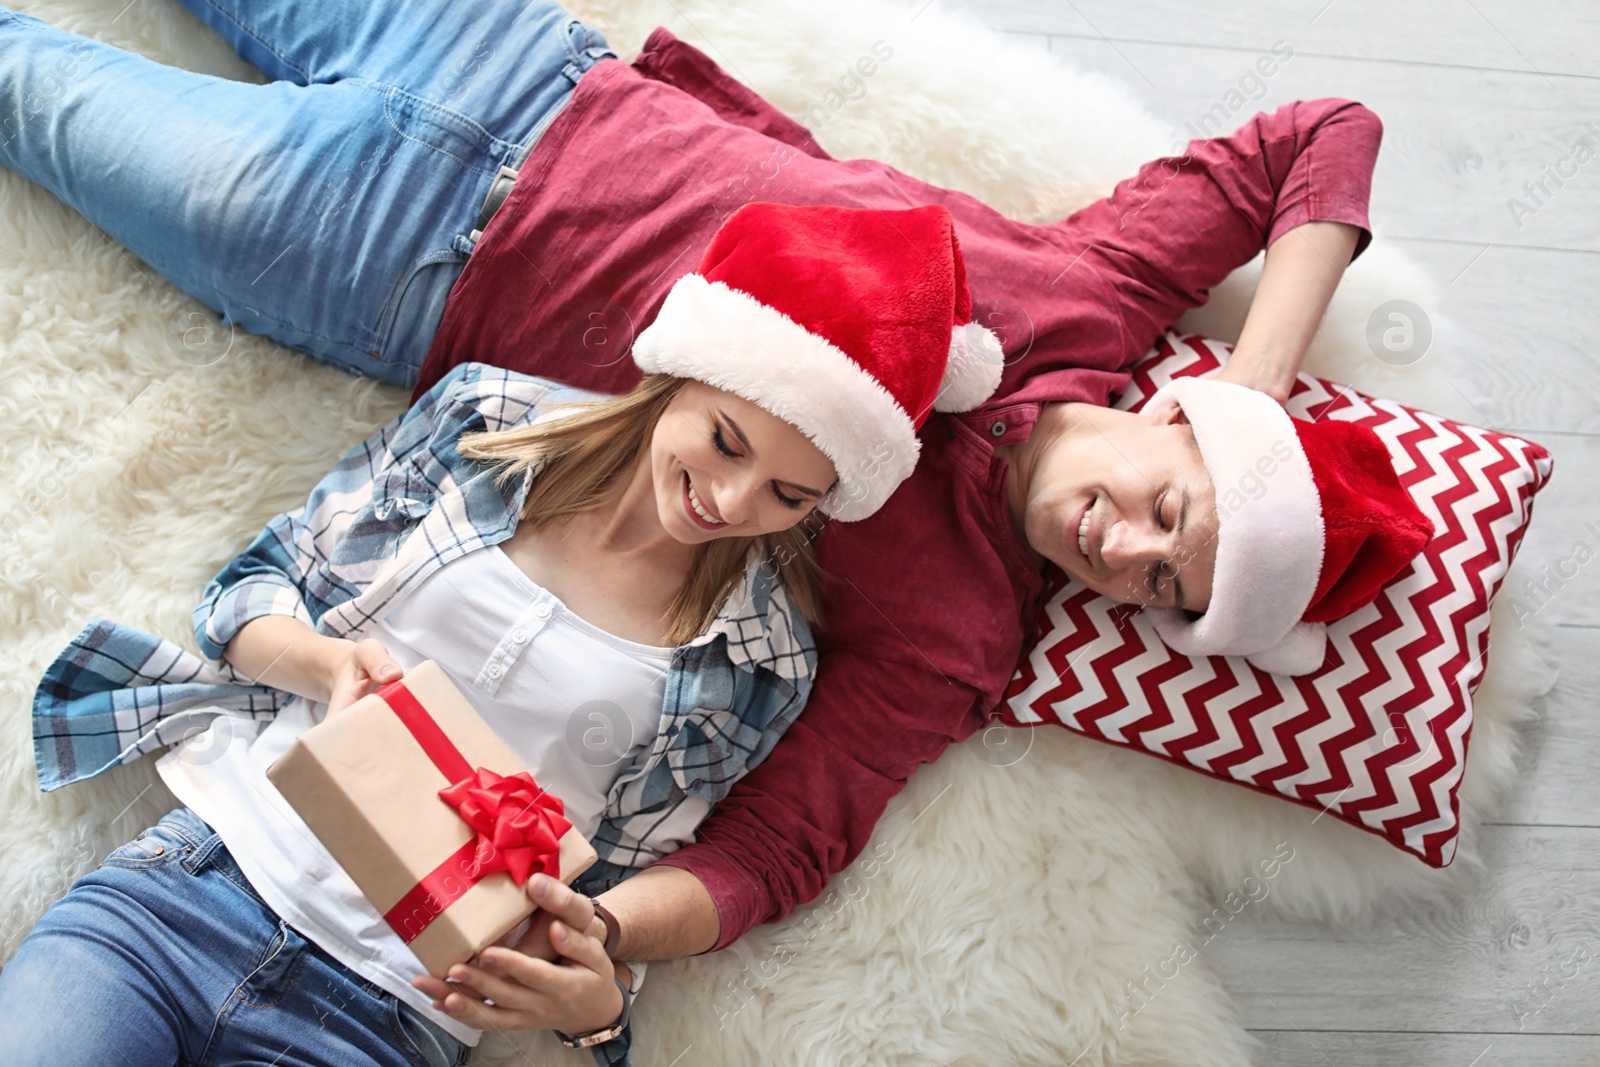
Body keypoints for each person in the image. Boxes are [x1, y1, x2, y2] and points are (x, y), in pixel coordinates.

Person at [1, 0, 1433, 1045]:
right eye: (1174, 510)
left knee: (24, 83)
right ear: (1175, 420)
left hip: (375, 257)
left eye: (1161, 587)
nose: (1125, 552)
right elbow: (1323, 136)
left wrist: (608, 939)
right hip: (532, 74)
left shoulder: (955, 625)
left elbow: (782, 844)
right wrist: (1256, 394)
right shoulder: (1105, 289)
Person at [4, 200, 1005, 1066]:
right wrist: (328, 662)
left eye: (790, 492)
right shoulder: (483, 420)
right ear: (679, 376)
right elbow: (247, 594)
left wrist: (597, 995)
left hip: (381, 1017)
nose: (732, 498)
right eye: (725, 440)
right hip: (190, 889)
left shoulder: (758, 661)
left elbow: (609, 892)